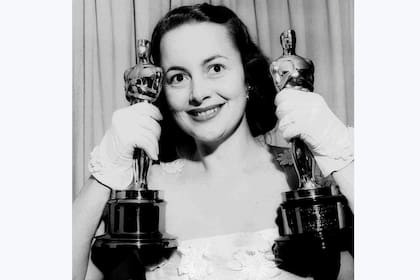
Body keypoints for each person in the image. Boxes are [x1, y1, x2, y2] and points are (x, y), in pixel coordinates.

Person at [73, 3, 354, 280]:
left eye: (216, 67)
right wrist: (104, 172)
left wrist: (343, 159)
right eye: (178, 77)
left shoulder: (313, 180)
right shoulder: (145, 192)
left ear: (247, 77)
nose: (198, 93)